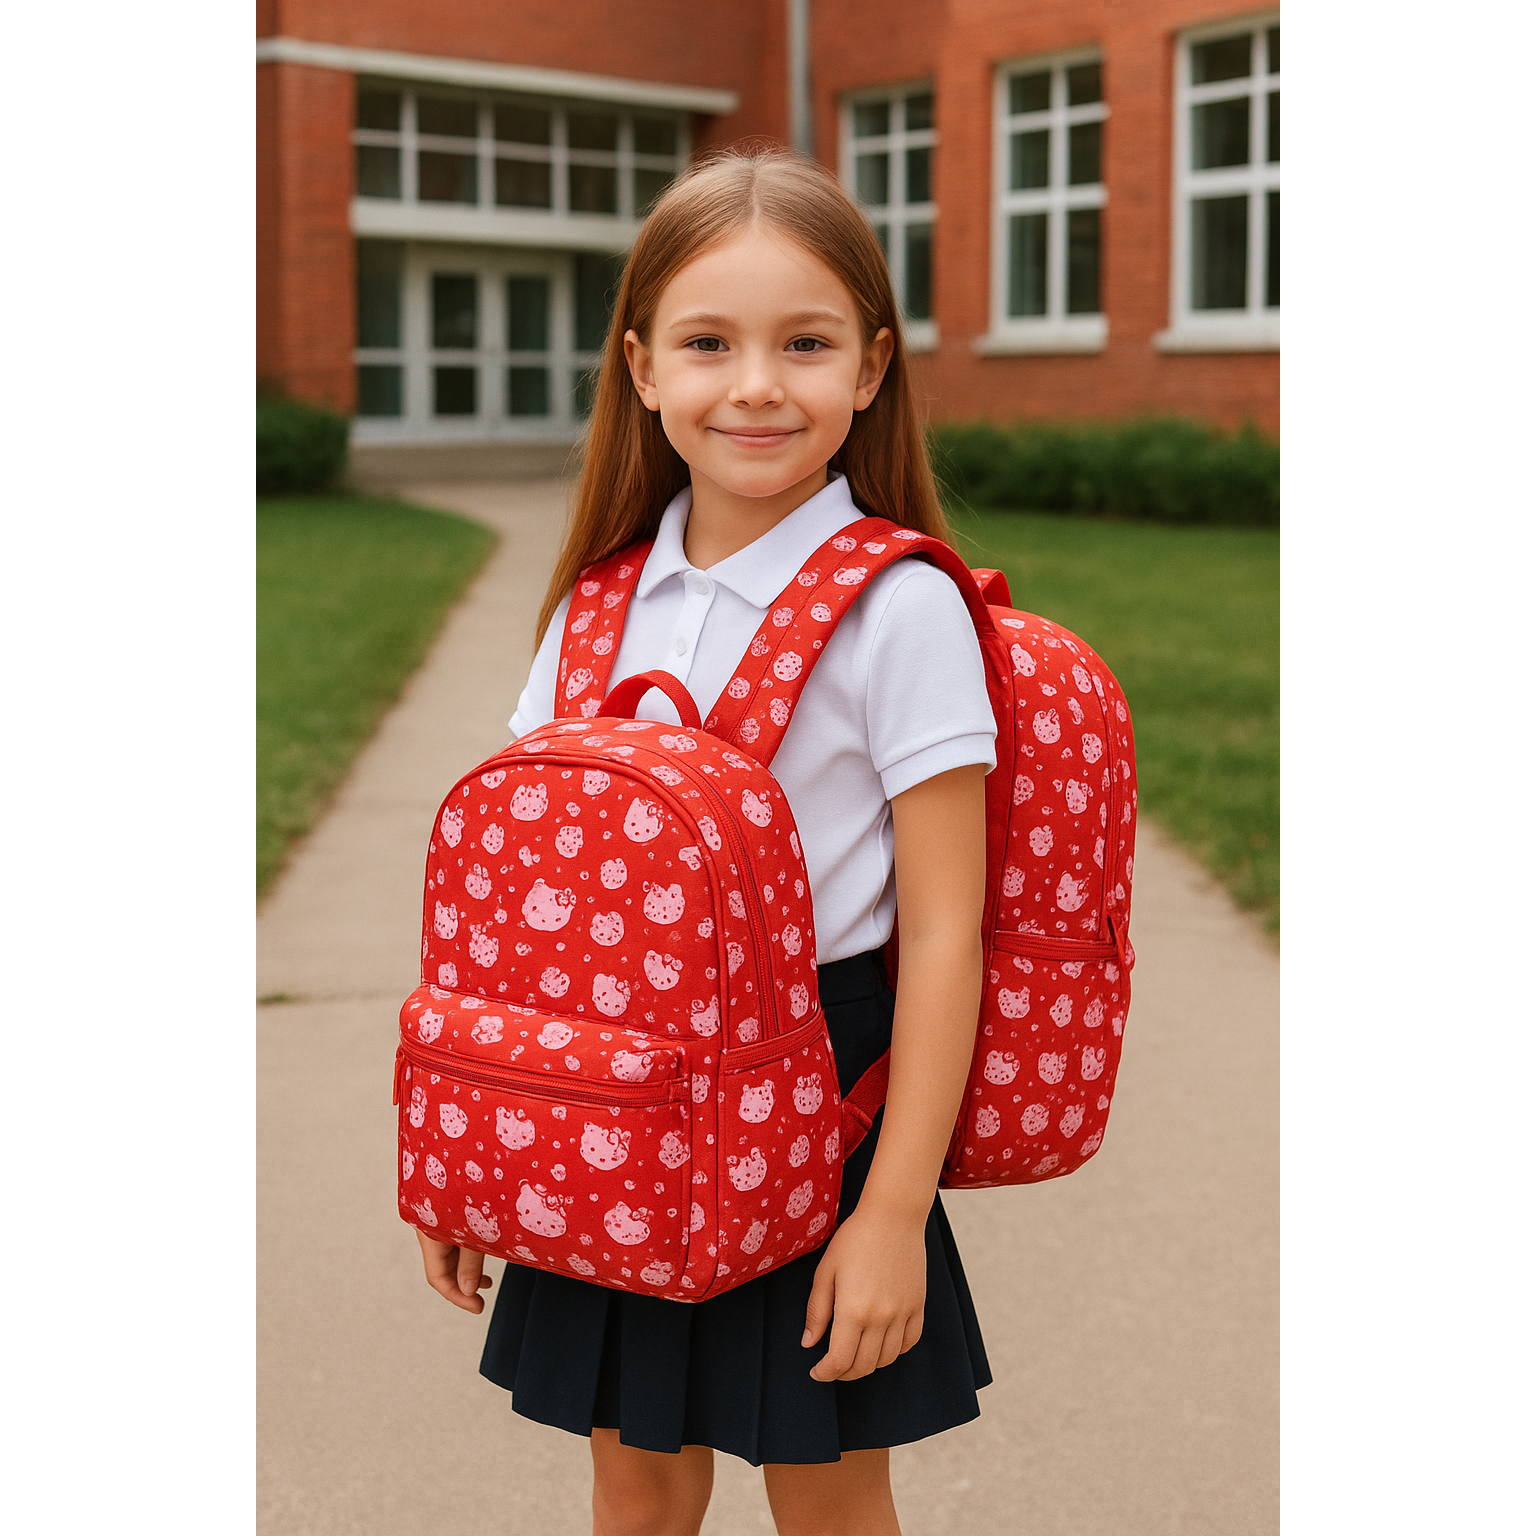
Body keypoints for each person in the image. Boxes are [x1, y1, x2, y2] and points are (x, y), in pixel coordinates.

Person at [415, 150, 996, 1536]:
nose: (755, 384)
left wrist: (892, 1212)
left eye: (804, 343)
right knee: (637, 1477)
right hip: (607, 1089)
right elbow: (524, 916)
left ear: (868, 369)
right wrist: (472, 1148)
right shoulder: (598, 605)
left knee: (829, 1492)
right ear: (640, 368)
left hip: (823, 1089)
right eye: (707, 343)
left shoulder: (900, 611)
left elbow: (948, 929)